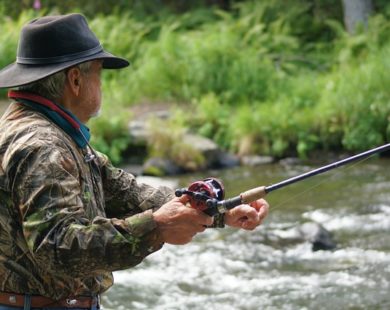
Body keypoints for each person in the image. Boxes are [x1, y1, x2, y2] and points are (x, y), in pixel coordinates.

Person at [0, 13, 269, 310]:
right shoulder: (44, 146)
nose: (102, 85)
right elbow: (59, 247)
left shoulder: (45, 131)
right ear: (75, 80)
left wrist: (219, 210)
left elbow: (126, 193)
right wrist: (156, 227)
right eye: (99, 74)